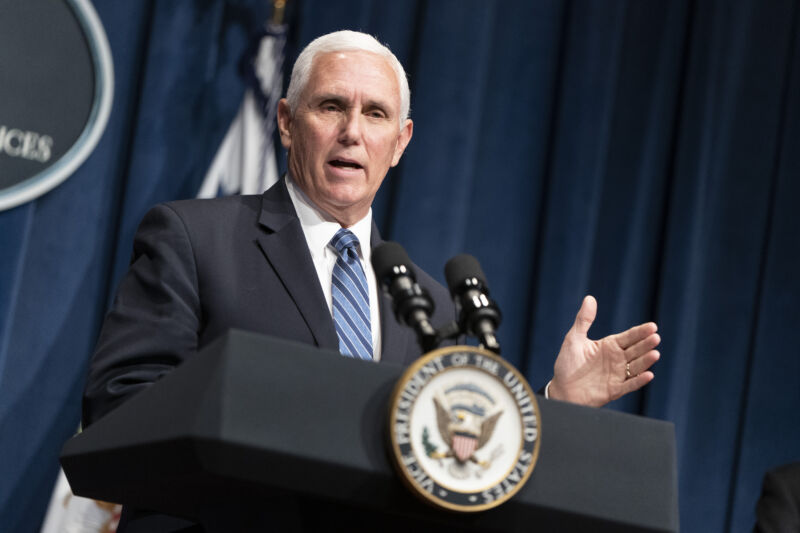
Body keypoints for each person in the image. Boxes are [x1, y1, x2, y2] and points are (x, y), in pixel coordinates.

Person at [83, 30, 661, 530]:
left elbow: (450, 465)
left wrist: (557, 404)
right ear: (286, 121)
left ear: (401, 142)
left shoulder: (431, 307)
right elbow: (120, 404)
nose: (352, 132)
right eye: (331, 106)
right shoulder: (195, 237)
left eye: (375, 114)